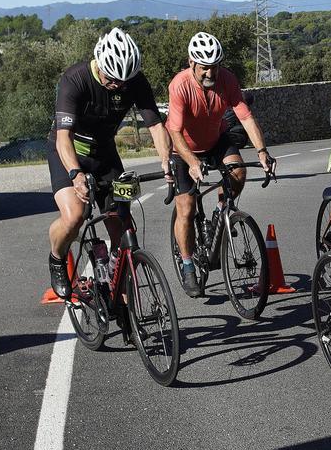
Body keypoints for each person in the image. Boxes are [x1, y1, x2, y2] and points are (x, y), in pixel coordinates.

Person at [47, 28, 172, 298]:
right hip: (68, 152)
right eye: (112, 79)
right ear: (99, 63)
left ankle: (119, 293)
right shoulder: (75, 78)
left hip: (104, 153)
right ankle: (57, 258)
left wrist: (166, 161)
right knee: (75, 216)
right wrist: (75, 175)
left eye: (124, 81)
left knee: (123, 227)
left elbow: (155, 126)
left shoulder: (134, 81)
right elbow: (63, 137)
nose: (118, 86)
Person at [167, 32, 275, 298]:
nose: (210, 72)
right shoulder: (179, 85)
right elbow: (175, 131)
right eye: (204, 67)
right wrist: (192, 162)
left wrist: (262, 151)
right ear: (192, 62)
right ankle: (188, 264)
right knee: (186, 208)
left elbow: (245, 117)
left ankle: (220, 212)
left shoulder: (227, 80)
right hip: (184, 149)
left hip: (216, 140)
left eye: (214, 66)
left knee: (238, 172)